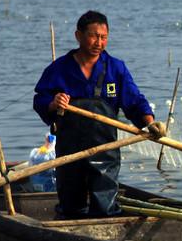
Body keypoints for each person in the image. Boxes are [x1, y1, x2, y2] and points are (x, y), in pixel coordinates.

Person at [33, 11, 165, 218]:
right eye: (94, 36)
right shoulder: (60, 68)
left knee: (105, 207)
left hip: (105, 151)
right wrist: (53, 103)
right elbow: (40, 99)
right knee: (71, 205)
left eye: (104, 37)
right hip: (70, 152)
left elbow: (135, 101)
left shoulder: (115, 68)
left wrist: (150, 123)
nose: (99, 42)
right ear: (78, 36)